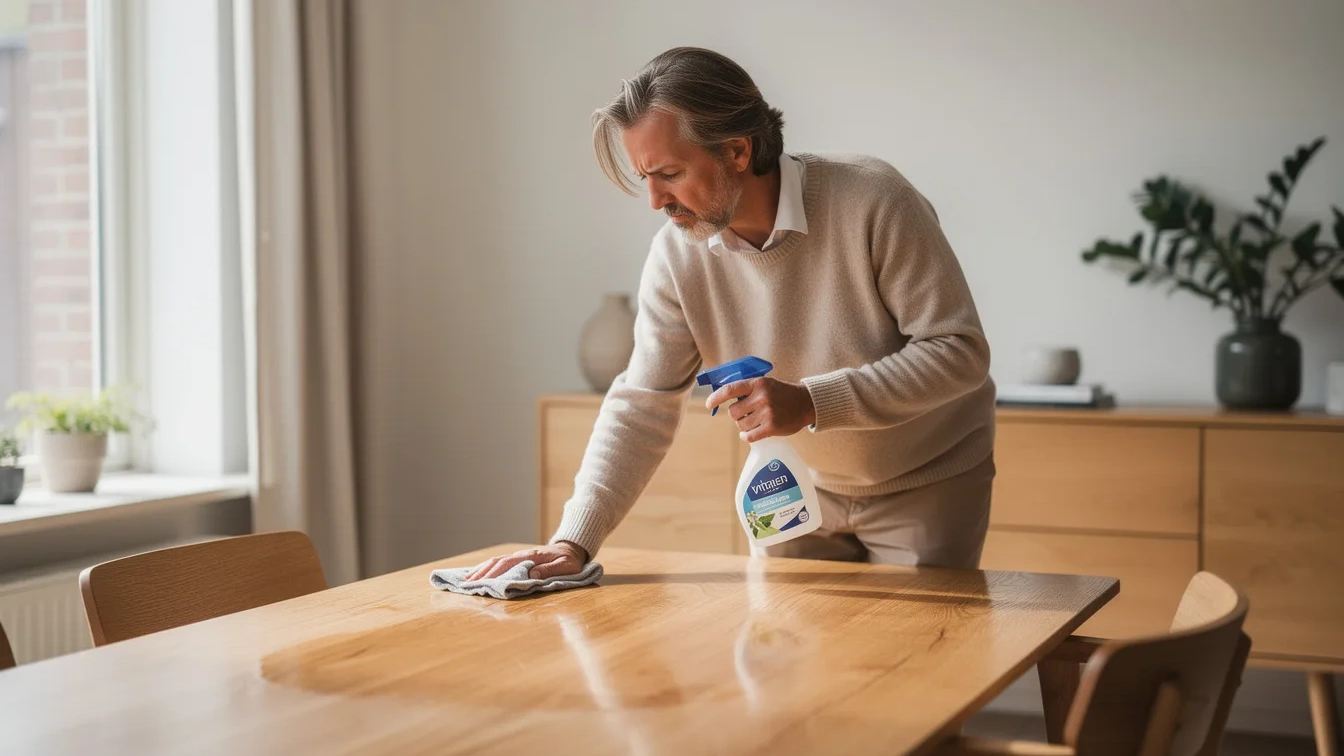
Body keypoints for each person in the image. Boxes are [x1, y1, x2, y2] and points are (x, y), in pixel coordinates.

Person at [467, 47, 995, 582]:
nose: (654, 200)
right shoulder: (677, 254)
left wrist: (812, 401)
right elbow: (643, 402)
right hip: (789, 482)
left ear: (738, 150)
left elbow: (958, 350)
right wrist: (573, 542)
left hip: (923, 480)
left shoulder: (874, 198)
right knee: (788, 659)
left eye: (669, 173)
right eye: (644, 177)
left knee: (916, 660)